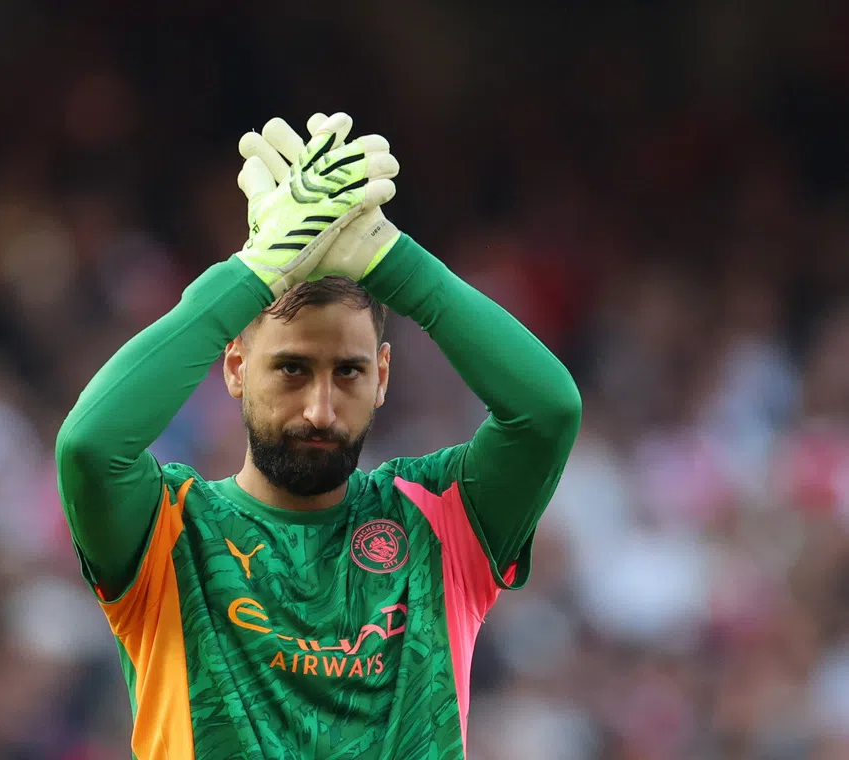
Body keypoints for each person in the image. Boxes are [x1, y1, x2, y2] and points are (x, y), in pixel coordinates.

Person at [56, 112, 582, 759]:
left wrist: (394, 260)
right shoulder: (168, 531)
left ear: (383, 375)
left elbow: (548, 411)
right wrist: (255, 270)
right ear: (235, 367)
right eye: (292, 369)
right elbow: (89, 446)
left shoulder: (440, 520)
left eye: (350, 372)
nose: (321, 410)